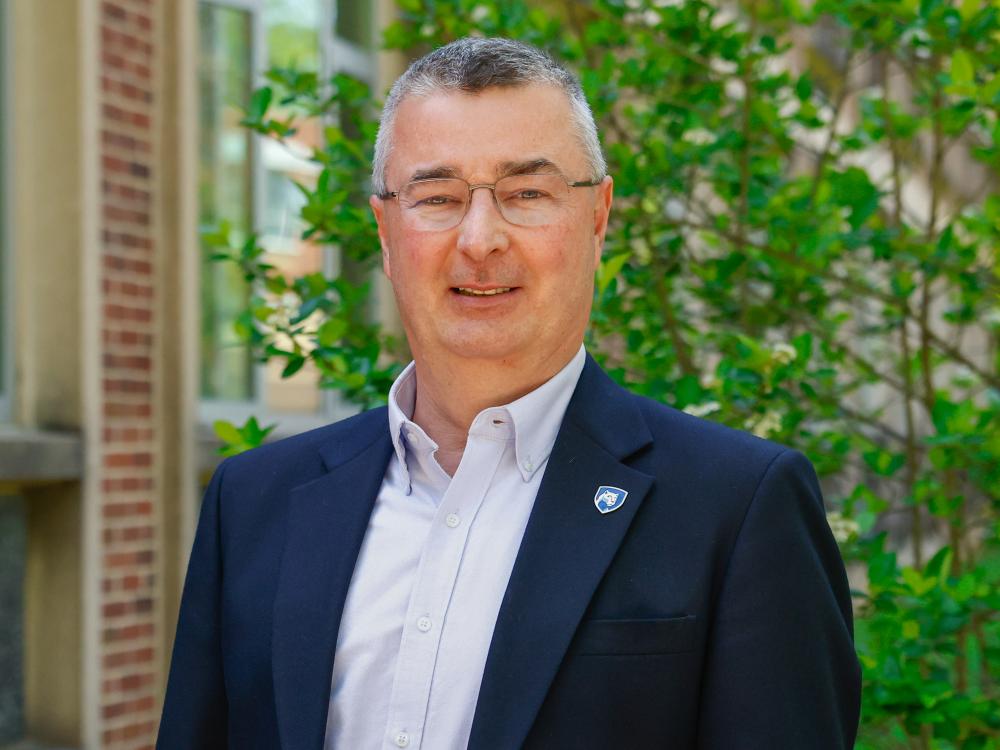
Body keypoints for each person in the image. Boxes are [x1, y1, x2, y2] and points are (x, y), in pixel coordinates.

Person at [159, 37, 860, 749]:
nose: (480, 237)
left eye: (527, 193)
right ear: (385, 232)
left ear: (597, 217)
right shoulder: (252, 503)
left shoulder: (738, 509)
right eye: (437, 197)